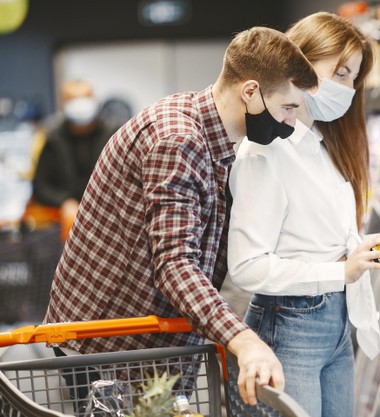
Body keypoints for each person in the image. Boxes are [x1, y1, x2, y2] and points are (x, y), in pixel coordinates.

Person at [43, 26, 318, 407]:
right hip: (107, 347)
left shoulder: (210, 132)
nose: (290, 122)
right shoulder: (178, 139)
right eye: (288, 107)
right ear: (251, 92)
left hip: (140, 346)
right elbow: (174, 263)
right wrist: (245, 341)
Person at [227, 12, 380, 417]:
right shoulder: (264, 152)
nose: (348, 89)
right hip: (291, 324)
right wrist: (340, 271)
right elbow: (247, 267)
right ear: (301, 62)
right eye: (340, 72)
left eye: (354, 78)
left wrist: (357, 251)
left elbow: (312, 237)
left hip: (337, 323)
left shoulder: (323, 145)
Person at [32, 79, 118, 240]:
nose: (80, 104)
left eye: (85, 97)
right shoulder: (52, 138)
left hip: (110, 221)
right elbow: (40, 187)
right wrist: (64, 201)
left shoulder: (114, 134)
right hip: (64, 228)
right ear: (63, 103)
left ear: (94, 100)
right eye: (73, 98)